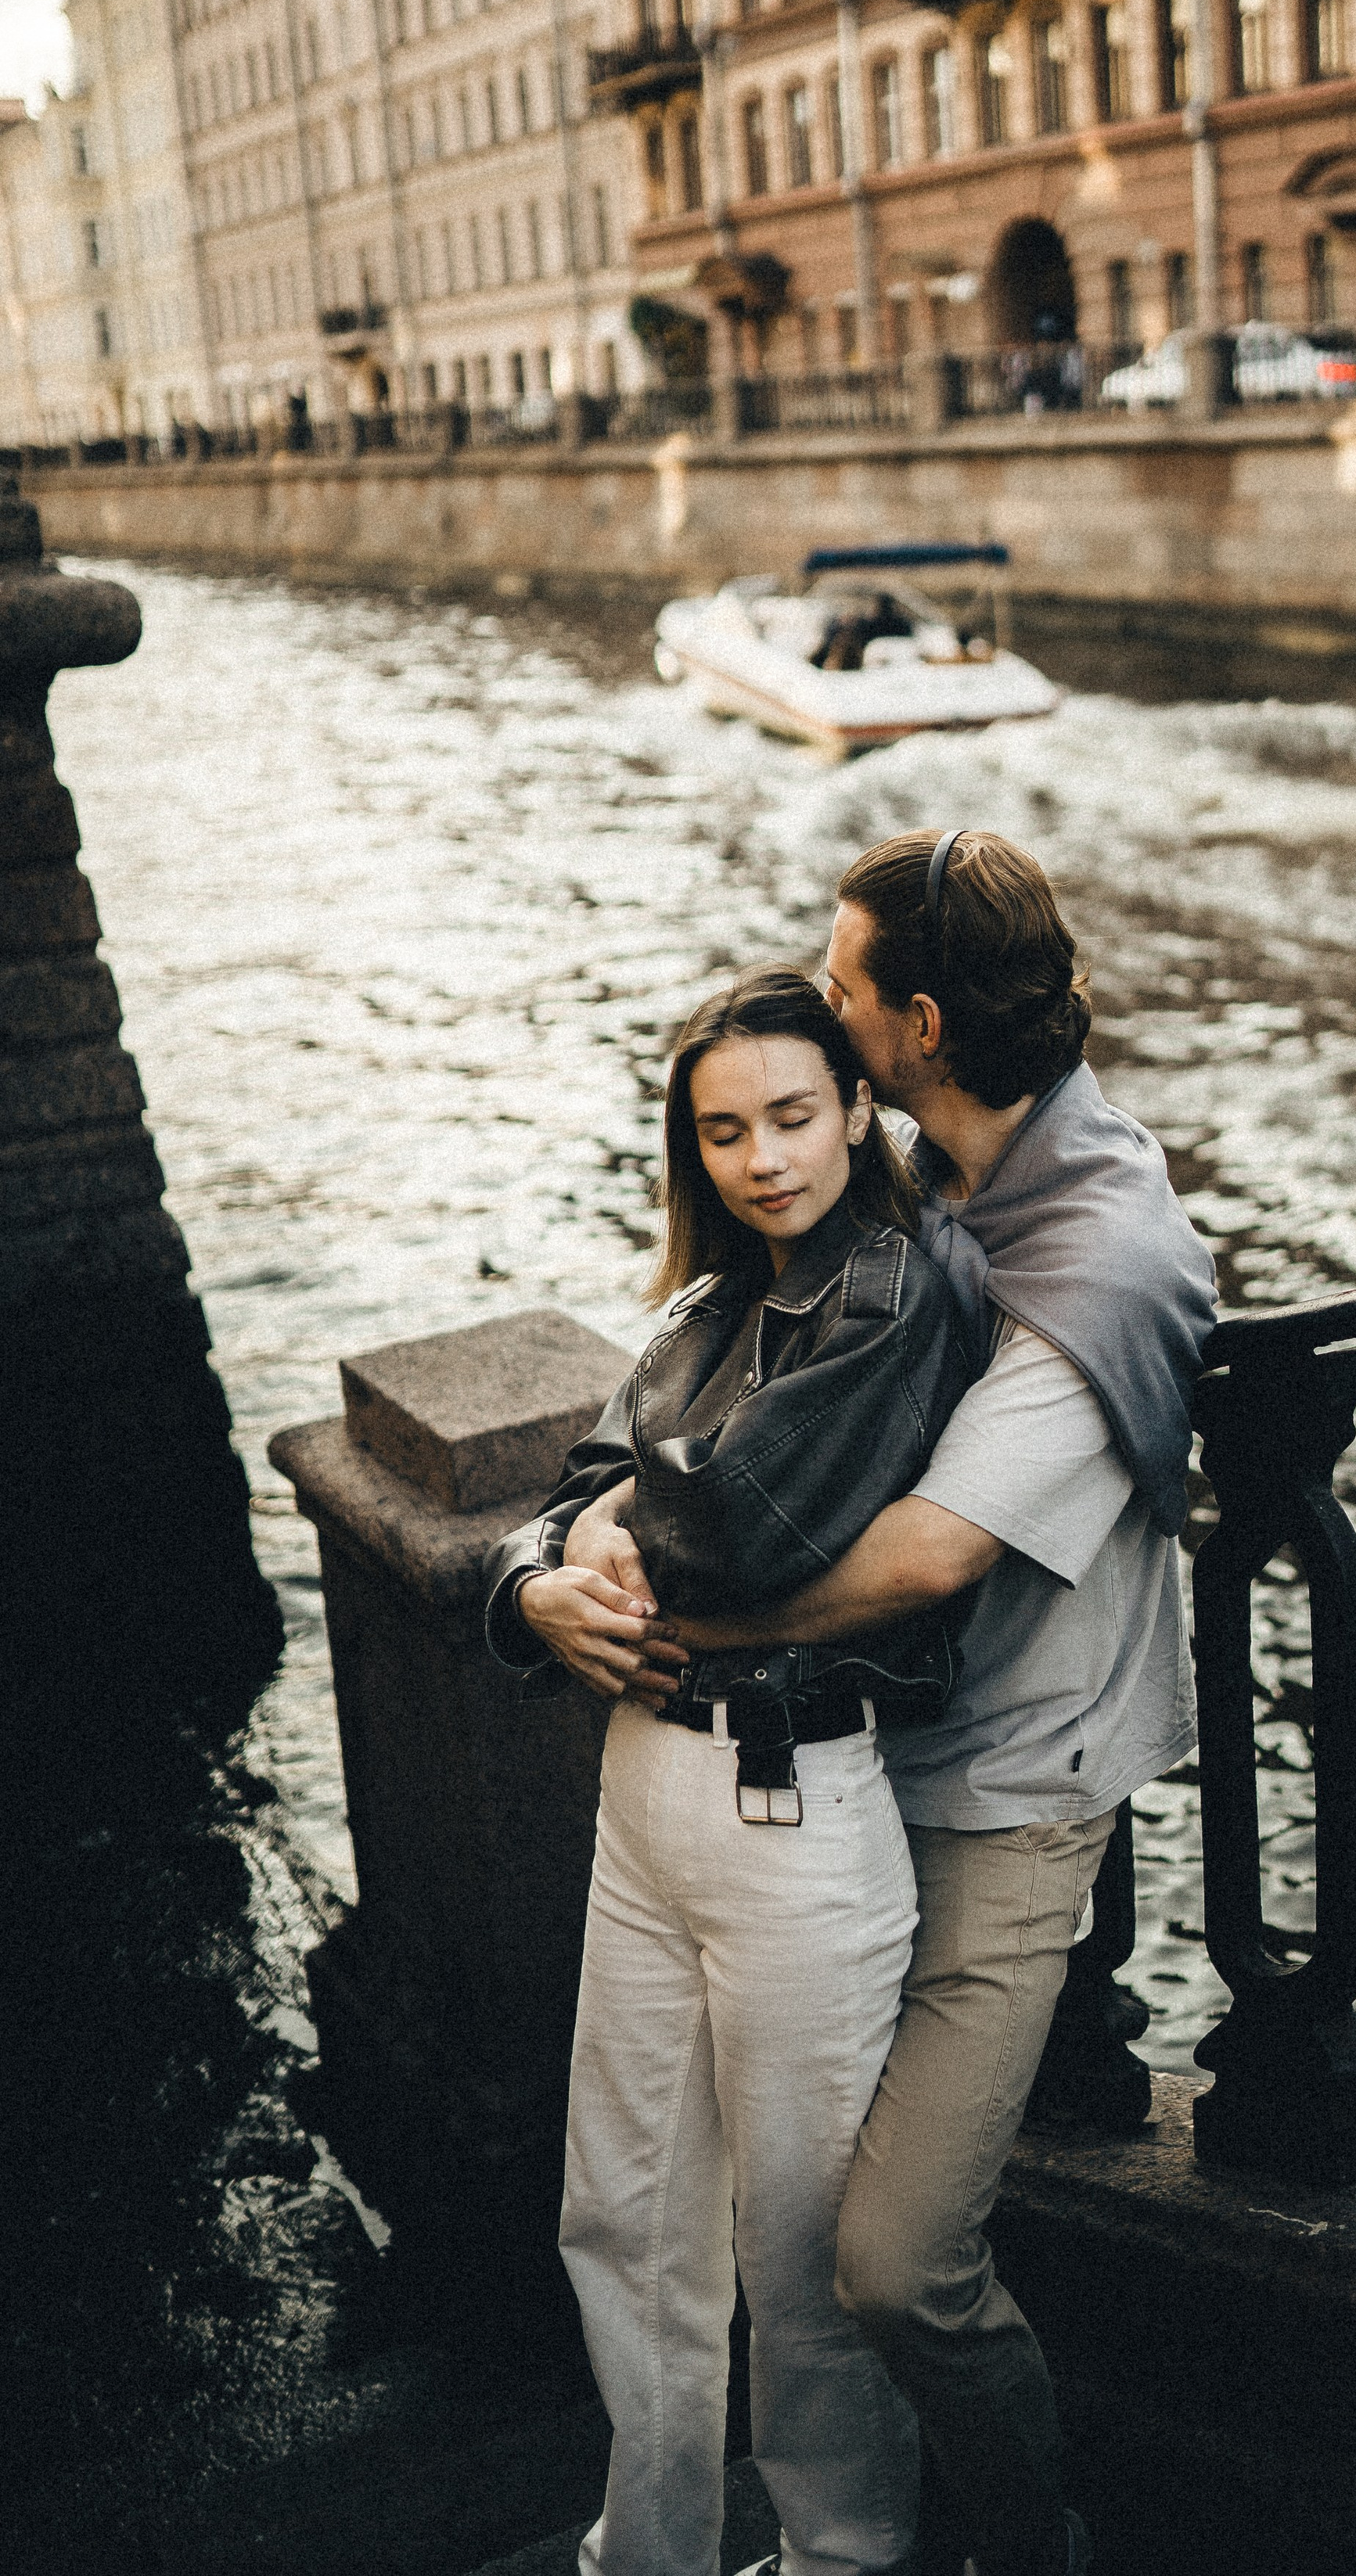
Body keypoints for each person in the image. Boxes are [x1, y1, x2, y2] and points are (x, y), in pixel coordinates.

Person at [570, 832, 1217, 2576]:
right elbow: (691, 1402)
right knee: (757, 2229)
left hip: (1004, 1795)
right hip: (855, 1779)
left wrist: (696, 1643)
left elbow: (924, 1560)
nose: (822, 1010)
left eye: (842, 993)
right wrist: (560, 1555)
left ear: (913, 1027)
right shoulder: (937, 1171)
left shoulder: (1099, 1262)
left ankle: (1031, 2542)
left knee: (890, 2264)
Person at [485, 965, 975, 2576]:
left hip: (793, 1812)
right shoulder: (701, 1314)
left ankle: (846, 2558)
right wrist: (541, 1580)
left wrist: (605, 1537)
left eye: (788, 1115)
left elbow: (727, 1520)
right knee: (624, 2216)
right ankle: (654, 2553)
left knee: (804, 2253)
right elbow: (581, 1488)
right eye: (721, 1132)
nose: (760, 1158)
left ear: (854, 1109)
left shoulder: (896, 1295)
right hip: (645, 1797)